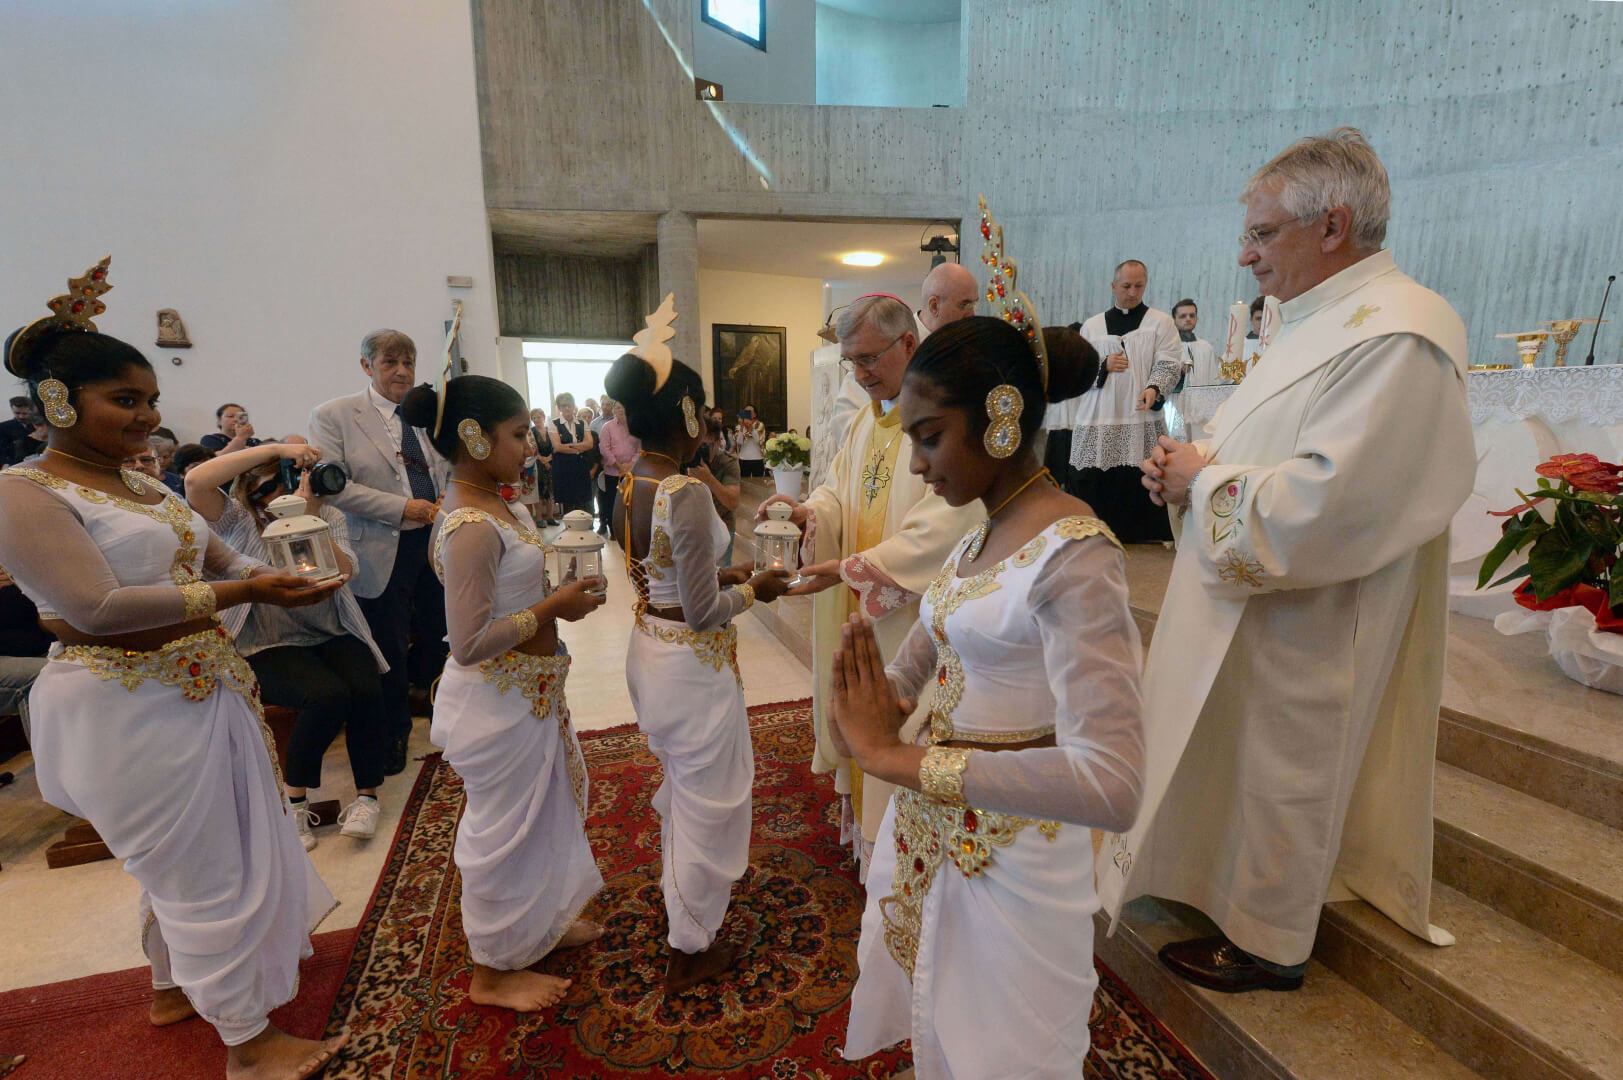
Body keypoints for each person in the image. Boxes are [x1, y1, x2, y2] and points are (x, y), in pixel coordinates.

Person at [1110, 127, 1475, 994]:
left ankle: (1270, 941)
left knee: (1288, 764)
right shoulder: (1321, 318)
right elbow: (1275, 444)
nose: (1244, 256)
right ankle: (1213, 884)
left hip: (1316, 613)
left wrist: (1204, 481)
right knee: (1245, 754)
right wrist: (1193, 468)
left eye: (1262, 234)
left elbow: (1333, 501)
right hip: (1264, 599)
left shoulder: (1398, 334)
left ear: (1332, 226)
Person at [0, 265, 348, 1079]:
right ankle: (249, 1046)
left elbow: (220, 555)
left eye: (151, 399)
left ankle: (170, 988)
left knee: (196, 857)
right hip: (124, 705)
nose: (148, 416)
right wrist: (246, 591)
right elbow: (95, 608)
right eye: (125, 399)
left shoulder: (140, 484)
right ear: (57, 401)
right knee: (200, 870)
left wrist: (289, 564)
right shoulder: (23, 491)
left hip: (199, 686)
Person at [834, 316, 1140, 1078]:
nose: (917, 464)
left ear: (1001, 417)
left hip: (1017, 856)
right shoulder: (976, 537)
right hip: (934, 833)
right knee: (939, 1017)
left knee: (1006, 1050)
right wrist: (868, 700)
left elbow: (1112, 783)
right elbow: (922, 659)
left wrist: (895, 760)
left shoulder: (1074, 554)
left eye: (930, 437)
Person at [401, 374, 608, 1012]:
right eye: (518, 434)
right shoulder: (470, 522)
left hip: (529, 692)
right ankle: (491, 970)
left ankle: (538, 922)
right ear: (474, 436)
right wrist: (554, 606)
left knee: (539, 816)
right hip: (496, 699)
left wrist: (556, 598)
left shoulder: (499, 504)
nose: (530, 446)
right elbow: (468, 642)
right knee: (503, 834)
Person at [758, 293, 982, 878]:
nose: (857, 375)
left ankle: (898, 857)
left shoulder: (942, 415)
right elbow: (837, 490)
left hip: (909, 619)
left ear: (908, 343)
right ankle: (869, 840)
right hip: (859, 608)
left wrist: (853, 569)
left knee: (900, 719)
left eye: (867, 359)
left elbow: (950, 520)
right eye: (850, 362)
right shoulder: (866, 420)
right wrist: (809, 514)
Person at [608, 298, 792, 992]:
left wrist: (726, 573)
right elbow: (705, 612)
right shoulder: (683, 490)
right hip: (690, 660)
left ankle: (684, 907)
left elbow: (664, 576)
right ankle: (689, 945)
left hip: (652, 645)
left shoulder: (632, 480)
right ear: (688, 416)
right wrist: (756, 591)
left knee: (688, 789)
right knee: (706, 799)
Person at [185, 441, 392, 850]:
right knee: (326, 696)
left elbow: (345, 571)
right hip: (265, 640)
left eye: (279, 484)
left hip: (330, 629)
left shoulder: (327, 514)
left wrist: (308, 518)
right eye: (262, 489)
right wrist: (277, 447)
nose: (272, 497)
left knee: (367, 687)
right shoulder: (238, 519)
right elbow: (196, 482)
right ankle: (294, 802)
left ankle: (367, 798)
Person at [309, 329, 450, 776]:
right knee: (388, 645)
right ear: (367, 366)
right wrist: (402, 507)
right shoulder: (335, 415)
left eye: (408, 362)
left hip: (436, 537)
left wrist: (446, 499)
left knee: (442, 633)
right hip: (379, 544)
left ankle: (447, 718)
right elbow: (334, 486)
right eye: (390, 362)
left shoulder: (427, 413)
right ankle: (394, 733)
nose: (402, 371)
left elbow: (447, 466)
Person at [1070, 260, 1184, 542]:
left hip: (1139, 416)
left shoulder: (1160, 323)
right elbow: (1078, 369)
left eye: (1138, 286)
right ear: (1113, 286)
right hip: (1100, 416)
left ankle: (1142, 535)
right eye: (1126, 286)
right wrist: (1103, 365)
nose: (1132, 292)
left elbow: (1169, 362)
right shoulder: (1092, 326)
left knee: (1139, 474)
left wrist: (1154, 388)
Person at [830, 267, 980, 453]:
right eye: (964, 305)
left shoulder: (967, 353)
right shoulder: (878, 344)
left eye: (974, 305)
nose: (972, 315)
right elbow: (847, 430)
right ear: (934, 306)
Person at [689, 416, 741, 566]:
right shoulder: (685, 460)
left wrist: (709, 479)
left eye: (705, 445)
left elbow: (733, 502)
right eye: (697, 445)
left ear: (718, 443)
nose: (700, 450)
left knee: (722, 574)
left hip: (722, 524)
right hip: (692, 525)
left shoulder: (728, 462)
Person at [547, 392, 595, 515]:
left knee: (581, 502)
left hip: (580, 466)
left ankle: (582, 525)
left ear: (574, 406)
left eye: (569, 405)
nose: (567, 408)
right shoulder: (553, 423)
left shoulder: (582, 422)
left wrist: (568, 446)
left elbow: (590, 444)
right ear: (559, 407)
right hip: (563, 467)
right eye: (563, 406)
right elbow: (557, 447)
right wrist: (580, 448)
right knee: (567, 503)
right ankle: (569, 526)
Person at [596, 401, 639, 537]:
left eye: (624, 407)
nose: (621, 410)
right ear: (614, 410)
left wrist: (630, 465)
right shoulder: (607, 427)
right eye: (618, 408)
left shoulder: (636, 426)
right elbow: (604, 449)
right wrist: (619, 466)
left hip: (632, 472)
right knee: (612, 503)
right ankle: (614, 531)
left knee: (631, 503)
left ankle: (630, 531)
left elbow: (640, 448)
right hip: (612, 472)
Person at [528, 407, 558, 525]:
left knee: (551, 490)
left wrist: (549, 458)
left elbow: (555, 446)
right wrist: (543, 461)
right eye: (534, 418)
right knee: (539, 491)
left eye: (538, 417)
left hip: (552, 462)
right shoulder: (531, 431)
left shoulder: (550, 430)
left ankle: (550, 517)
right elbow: (533, 448)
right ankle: (539, 518)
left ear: (544, 417)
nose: (536, 419)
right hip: (537, 463)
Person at [734, 405, 765, 478]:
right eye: (746, 412)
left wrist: (751, 428)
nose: (748, 414)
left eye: (750, 412)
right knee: (744, 482)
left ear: (755, 414)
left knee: (758, 482)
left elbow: (758, 440)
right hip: (743, 458)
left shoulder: (759, 425)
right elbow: (739, 442)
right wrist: (742, 427)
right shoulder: (739, 426)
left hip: (757, 458)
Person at [0, 396, 32, 464]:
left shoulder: (39, 425)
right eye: (17, 413)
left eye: (24, 413)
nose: (21, 416)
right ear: (12, 409)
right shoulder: (3, 427)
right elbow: (2, 451)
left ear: (31, 410)